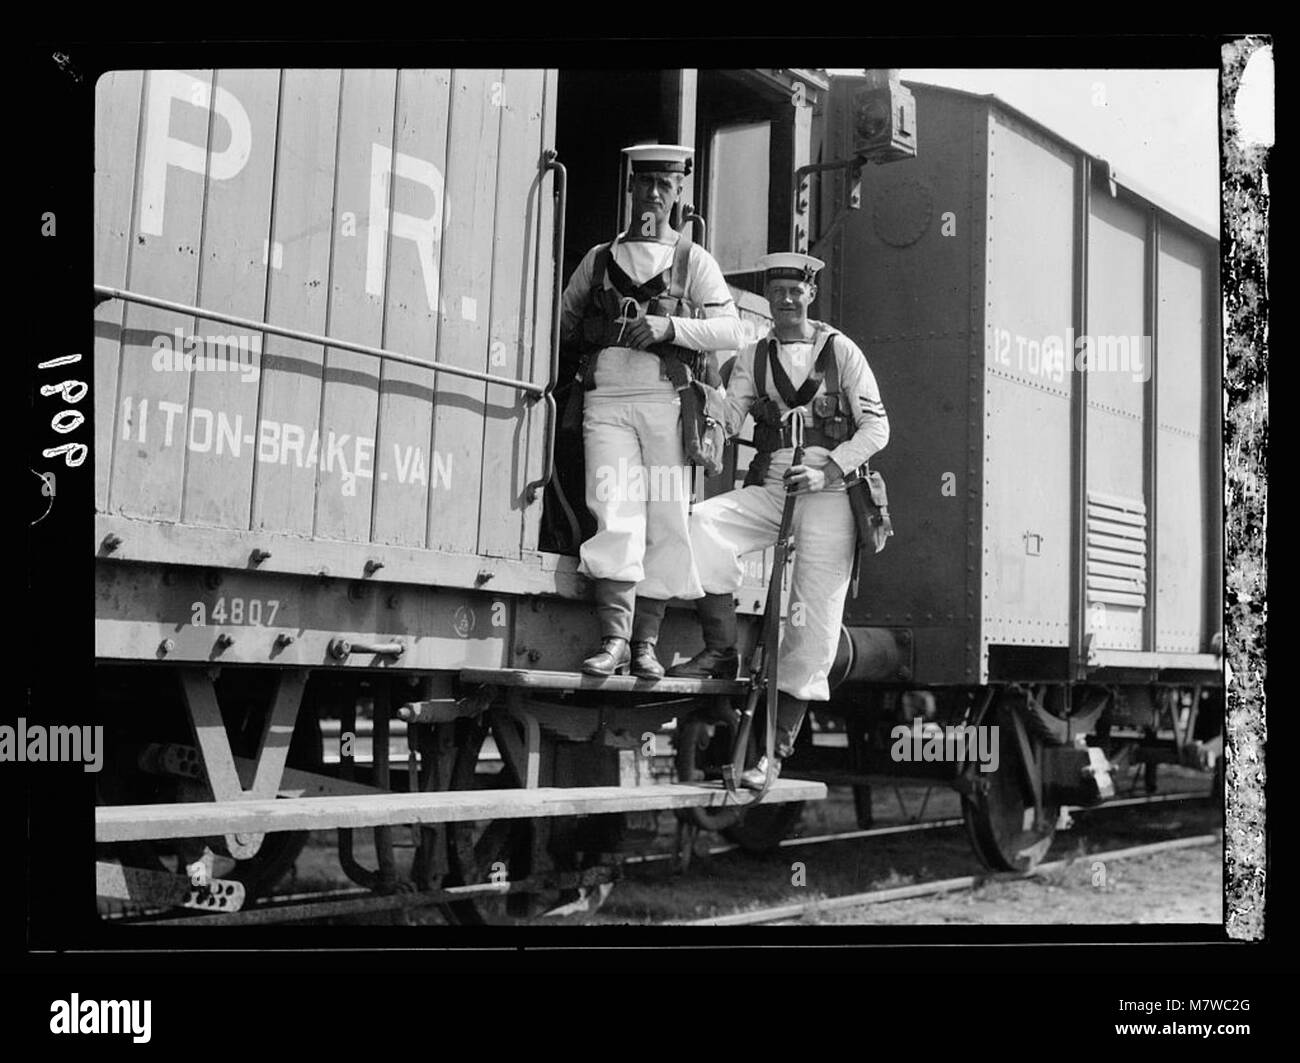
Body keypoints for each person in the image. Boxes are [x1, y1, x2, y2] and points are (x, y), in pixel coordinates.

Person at [668, 252, 890, 787]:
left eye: (796, 290)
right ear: (768, 297)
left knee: (811, 629)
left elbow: (877, 430)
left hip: (829, 498)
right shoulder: (755, 354)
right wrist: (699, 398)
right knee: (701, 525)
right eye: (778, 291)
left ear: (811, 294)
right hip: (772, 491)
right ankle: (721, 651)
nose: (786, 299)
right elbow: (729, 414)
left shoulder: (841, 352)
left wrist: (828, 471)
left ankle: (771, 753)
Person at [560, 144, 746, 678]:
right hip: (607, 403)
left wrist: (671, 328)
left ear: (679, 195)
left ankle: (646, 645)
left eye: (665, 186)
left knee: (666, 519)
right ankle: (615, 639)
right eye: (646, 184)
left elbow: (732, 330)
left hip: (668, 405)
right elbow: (566, 322)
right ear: (632, 189)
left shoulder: (693, 261)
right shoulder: (599, 260)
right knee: (614, 511)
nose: (654, 194)